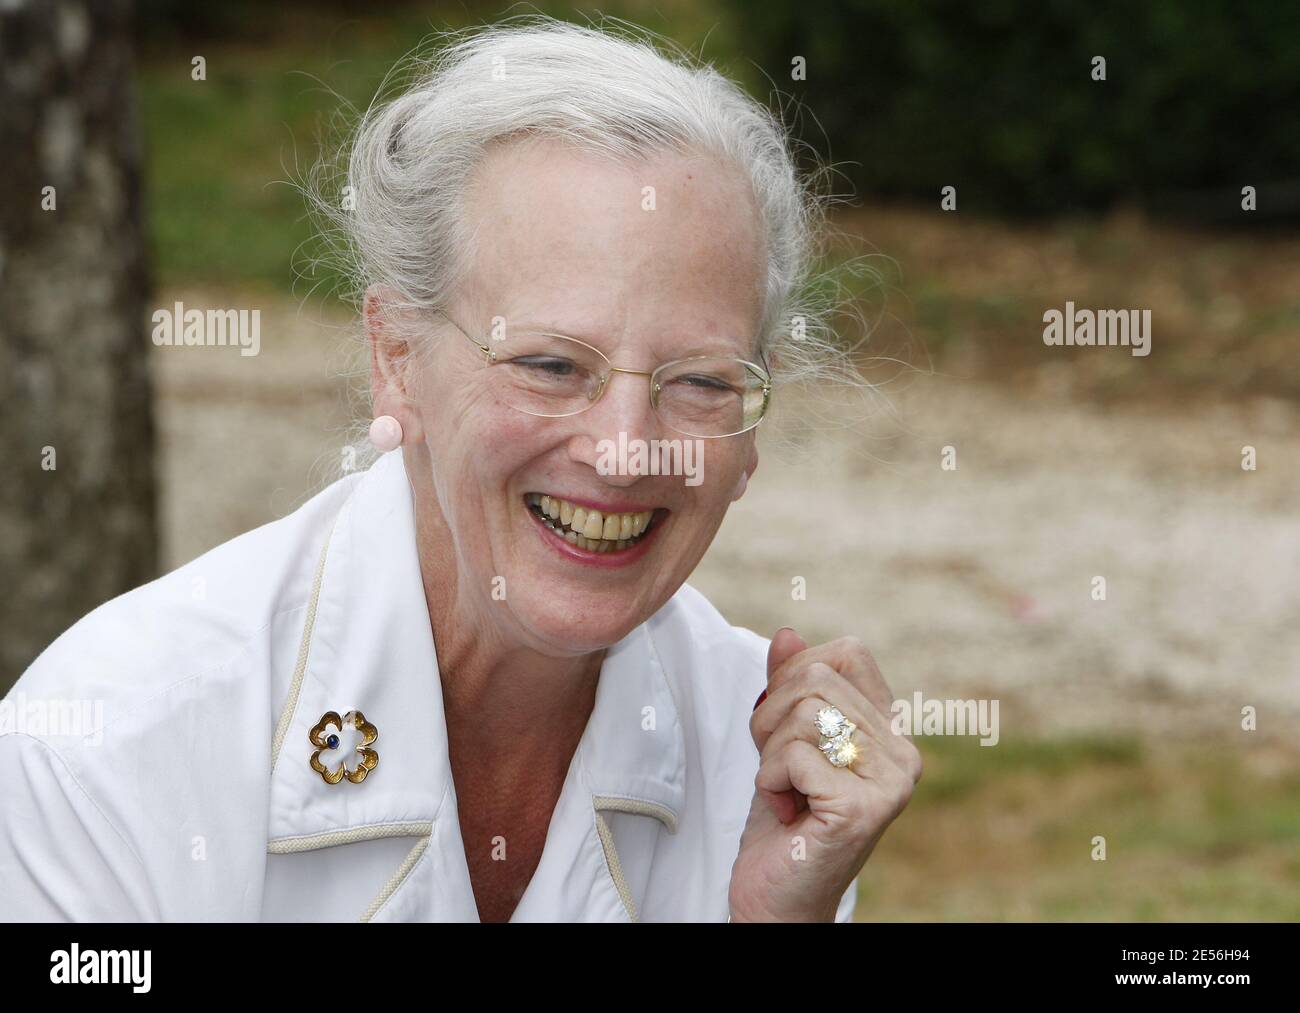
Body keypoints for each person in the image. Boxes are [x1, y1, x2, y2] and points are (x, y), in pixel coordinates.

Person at [0, 18, 920, 922]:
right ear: (396, 356)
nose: (626, 448)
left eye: (700, 381)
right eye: (550, 365)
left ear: (752, 433)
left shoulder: (758, 763)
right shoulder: (110, 748)